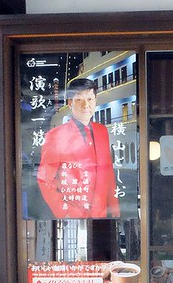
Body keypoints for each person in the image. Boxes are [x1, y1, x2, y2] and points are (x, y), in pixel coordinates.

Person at [36, 78, 120, 219]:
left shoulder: (102, 131)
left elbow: (108, 173)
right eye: (79, 100)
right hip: (75, 214)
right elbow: (44, 179)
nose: (86, 105)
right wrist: (65, 212)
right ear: (70, 103)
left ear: (95, 100)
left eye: (90, 99)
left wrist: (114, 209)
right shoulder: (56, 135)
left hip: (102, 214)